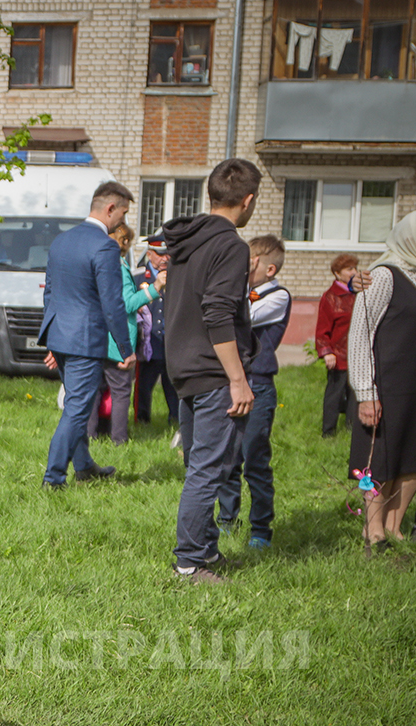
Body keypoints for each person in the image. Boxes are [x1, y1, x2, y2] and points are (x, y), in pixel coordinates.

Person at [162, 158, 261, 584]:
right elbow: (218, 312)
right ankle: (189, 563)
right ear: (249, 200)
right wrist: (237, 379)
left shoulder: (187, 240)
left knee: (199, 465)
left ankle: (204, 549)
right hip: (214, 371)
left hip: (182, 368)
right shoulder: (232, 246)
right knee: (209, 467)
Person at [37, 180, 136, 487]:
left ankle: (84, 466)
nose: (123, 220)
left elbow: (50, 294)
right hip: (85, 341)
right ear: (110, 208)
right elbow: (112, 302)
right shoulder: (105, 245)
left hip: (61, 336)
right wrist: (125, 347)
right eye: (123, 212)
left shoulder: (61, 241)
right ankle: (53, 479)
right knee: (78, 410)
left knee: (75, 405)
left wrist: (53, 337)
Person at [348, 209, 416, 549]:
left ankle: (394, 528)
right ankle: (373, 529)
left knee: (414, 458)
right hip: (385, 388)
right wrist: (366, 391)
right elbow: (360, 336)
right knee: (375, 462)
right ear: (413, 237)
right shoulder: (382, 276)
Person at [216, 236, 291, 549]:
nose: (242, 267)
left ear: (269, 268)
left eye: (250, 261)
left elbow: (239, 319)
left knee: (255, 459)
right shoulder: (245, 291)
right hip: (231, 382)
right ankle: (227, 521)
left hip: (257, 384)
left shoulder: (278, 297)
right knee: (228, 458)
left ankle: (261, 529)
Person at [86, 222, 162, 446]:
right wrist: (154, 289)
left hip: (96, 338)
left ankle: (89, 435)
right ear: (124, 244)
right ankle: (119, 439)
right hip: (117, 341)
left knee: (94, 390)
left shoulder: (96, 264)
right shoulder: (119, 268)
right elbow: (127, 304)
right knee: (120, 392)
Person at [135, 234, 179, 426]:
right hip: (148, 343)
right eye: (160, 254)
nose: (165, 259)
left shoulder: (178, 278)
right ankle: (142, 419)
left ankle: (176, 421)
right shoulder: (137, 277)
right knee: (143, 386)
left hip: (171, 344)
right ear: (150, 254)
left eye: (168, 254)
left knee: (174, 387)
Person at [316, 253, 359, 437]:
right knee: (334, 394)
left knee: (354, 395)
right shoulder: (330, 297)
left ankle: (352, 430)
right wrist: (327, 352)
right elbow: (322, 329)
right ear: (337, 273)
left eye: (355, 268)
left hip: (357, 355)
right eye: (349, 269)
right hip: (338, 355)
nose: (354, 272)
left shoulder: (359, 295)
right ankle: (329, 432)